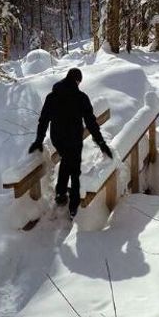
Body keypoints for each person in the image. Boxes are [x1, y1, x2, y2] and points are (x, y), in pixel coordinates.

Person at [28, 67, 112, 217]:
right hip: (74, 139)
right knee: (74, 169)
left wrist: (39, 139)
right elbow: (91, 123)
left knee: (67, 161)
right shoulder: (81, 98)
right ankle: (73, 207)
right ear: (77, 81)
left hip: (58, 139)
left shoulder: (52, 96)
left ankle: (60, 194)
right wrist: (101, 143)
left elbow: (43, 121)